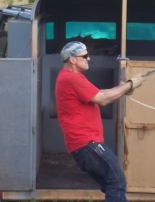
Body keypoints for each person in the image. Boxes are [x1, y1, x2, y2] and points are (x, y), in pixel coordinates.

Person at [55, 41, 145, 202]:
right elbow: (102, 99)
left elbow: (99, 93)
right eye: (85, 56)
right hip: (87, 142)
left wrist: (123, 88)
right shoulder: (70, 78)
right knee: (116, 182)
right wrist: (130, 85)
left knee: (112, 184)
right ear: (73, 60)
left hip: (83, 144)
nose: (89, 58)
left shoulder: (72, 77)